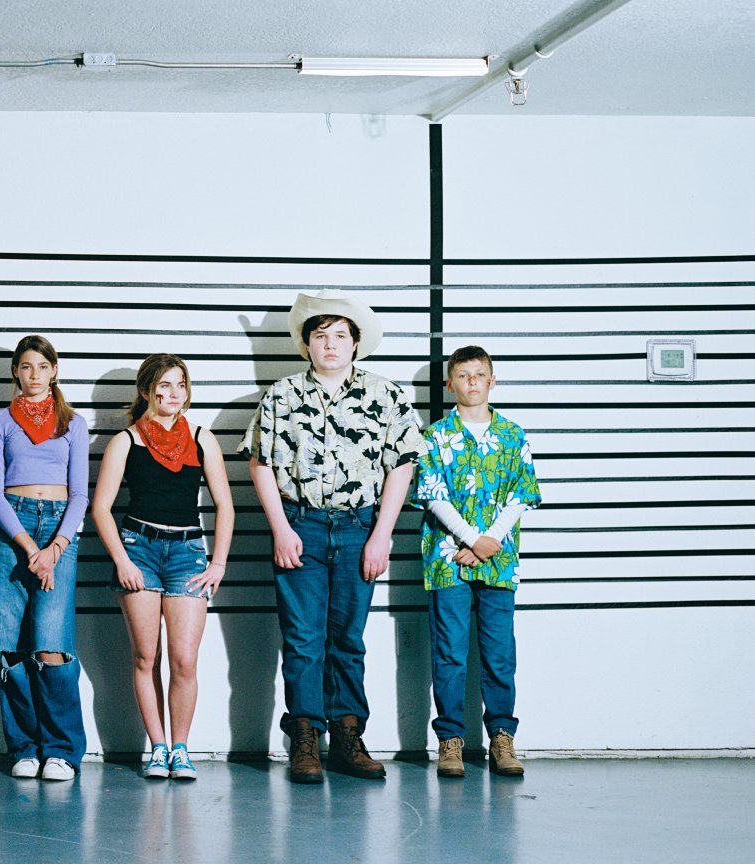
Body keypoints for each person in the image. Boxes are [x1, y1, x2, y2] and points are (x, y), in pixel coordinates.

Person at [243, 290, 423, 784]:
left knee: (348, 637)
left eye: (340, 335)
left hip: (359, 527)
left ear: (355, 343)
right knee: (303, 638)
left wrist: (382, 535)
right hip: (300, 525)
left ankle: (347, 734)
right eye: (320, 335)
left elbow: (402, 466)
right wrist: (281, 528)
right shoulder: (282, 396)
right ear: (306, 344)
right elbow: (260, 463)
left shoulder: (385, 395)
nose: (330, 344)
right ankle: (305, 736)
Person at [91, 354, 234, 780]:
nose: (174, 393)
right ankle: (158, 748)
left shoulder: (203, 438)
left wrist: (218, 563)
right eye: (165, 385)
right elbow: (101, 508)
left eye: (181, 385)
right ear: (146, 390)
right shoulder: (126, 440)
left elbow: (225, 505)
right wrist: (121, 560)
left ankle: (181, 749)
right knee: (145, 656)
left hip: (187, 552)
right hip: (139, 550)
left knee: (184, 660)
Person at [414, 345, 541, 779]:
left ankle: (502, 738)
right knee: (449, 652)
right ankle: (450, 740)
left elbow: (521, 494)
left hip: (499, 558)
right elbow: (433, 496)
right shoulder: (435, 436)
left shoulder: (513, 435)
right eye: (463, 375)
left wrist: (489, 542)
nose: (472, 382)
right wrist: (471, 540)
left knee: (499, 653)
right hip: (447, 557)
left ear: (492, 381)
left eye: (479, 375)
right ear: (450, 383)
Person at [0, 335, 90, 781]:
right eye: (26, 366)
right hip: (13, 531)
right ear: (16, 371)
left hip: (59, 531)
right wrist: (31, 549)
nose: (34, 375)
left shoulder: (74, 424)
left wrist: (54, 549)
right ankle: (24, 748)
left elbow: (81, 494)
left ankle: (61, 750)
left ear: (54, 371)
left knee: (51, 643)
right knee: (12, 643)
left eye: (42, 367)